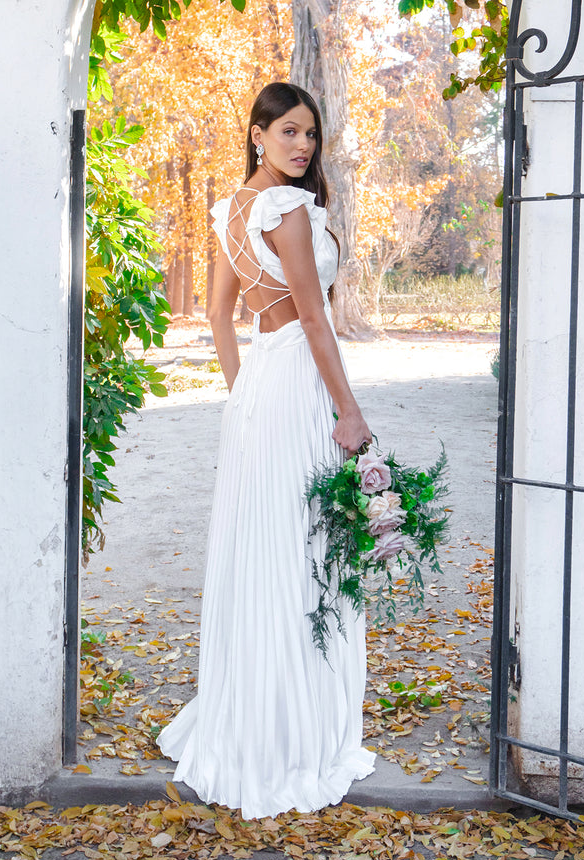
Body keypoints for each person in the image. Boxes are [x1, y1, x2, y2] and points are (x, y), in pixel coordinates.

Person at [157, 82, 376, 819]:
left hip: (259, 392)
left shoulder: (230, 210)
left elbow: (220, 317)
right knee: (302, 551)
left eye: (309, 133)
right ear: (256, 134)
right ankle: (291, 734)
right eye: (288, 131)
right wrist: (349, 412)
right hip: (299, 381)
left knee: (271, 548)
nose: (302, 145)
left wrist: (246, 395)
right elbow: (314, 321)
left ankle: (257, 713)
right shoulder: (282, 209)